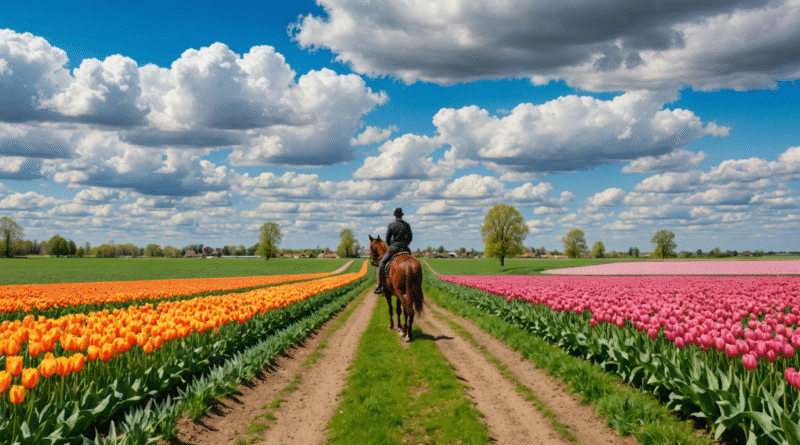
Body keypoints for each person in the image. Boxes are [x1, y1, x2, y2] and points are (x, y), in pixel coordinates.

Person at [375, 207, 412, 294]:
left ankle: (379, 286)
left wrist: (391, 245)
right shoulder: (407, 225)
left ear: (395, 216)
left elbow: (387, 239)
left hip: (394, 248)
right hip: (405, 248)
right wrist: (405, 244)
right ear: (401, 215)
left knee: (382, 263)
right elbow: (410, 238)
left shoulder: (391, 225)